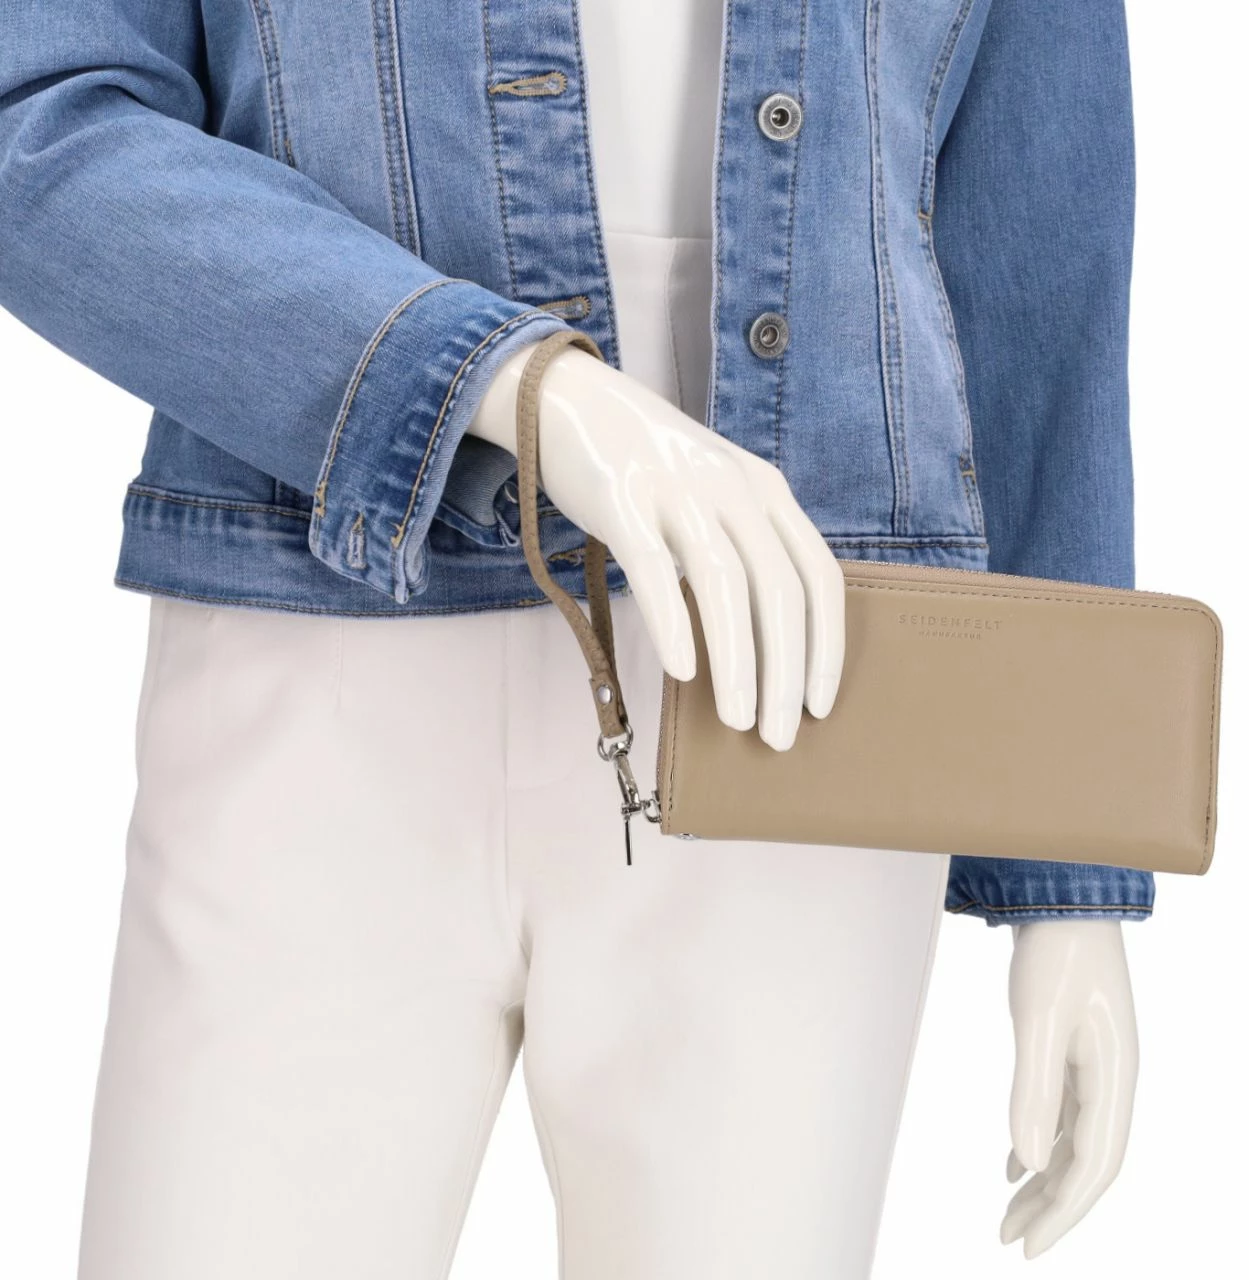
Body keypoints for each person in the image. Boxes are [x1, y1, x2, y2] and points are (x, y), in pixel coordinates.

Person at [0, 1, 1153, 1275]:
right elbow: (39, 117)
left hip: (800, 671)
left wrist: (1063, 869)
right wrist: (502, 379)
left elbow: (1037, 236)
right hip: (320, 609)